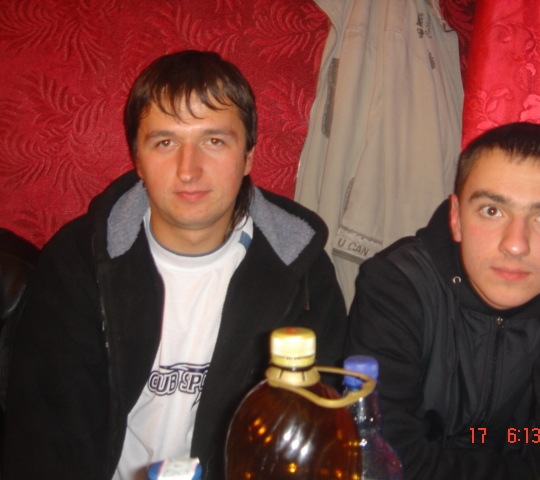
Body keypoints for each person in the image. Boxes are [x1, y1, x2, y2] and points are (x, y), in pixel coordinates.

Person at [1, 50, 347, 479]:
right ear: (138, 159)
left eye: (214, 141)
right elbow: (44, 443)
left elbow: (312, 442)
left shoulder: (303, 271)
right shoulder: (77, 263)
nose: (189, 170)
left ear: (248, 157)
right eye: (165, 142)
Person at [346, 122, 540, 479]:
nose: (515, 244)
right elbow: (387, 461)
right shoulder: (398, 287)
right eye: (492, 210)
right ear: (456, 218)